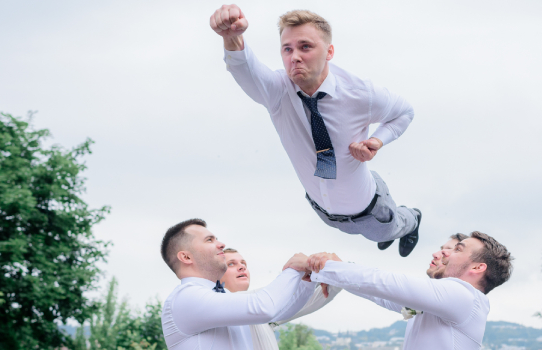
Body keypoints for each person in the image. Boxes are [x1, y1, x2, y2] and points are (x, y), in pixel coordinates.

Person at [210, 5, 422, 257]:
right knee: (361, 231)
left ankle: (412, 219)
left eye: (305, 47)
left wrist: (378, 140)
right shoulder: (277, 92)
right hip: (323, 210)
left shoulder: (360, 94)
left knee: (385, 231)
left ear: (329, 51)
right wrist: (230, 37)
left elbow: (404, 112)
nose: (295, 57)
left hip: (370, 209)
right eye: (287, 49)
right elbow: (245, 69)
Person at [288, 231, 513, 350]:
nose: (445, 254)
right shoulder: (449, 301)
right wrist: (339, 268)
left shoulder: (464, 296)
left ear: (477, 267)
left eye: (458, 249)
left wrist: (319, 264)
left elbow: (389, 283)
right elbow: (381, 293)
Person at [159, 219, 317, 350]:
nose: (221, 244)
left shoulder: (222, 297)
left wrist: (305, 279)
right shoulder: (186, 297)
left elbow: (280, 310)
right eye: (209, 240)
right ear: (186, 257)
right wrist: (293, 269)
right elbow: (264, 307)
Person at [219, 248, 342, 350]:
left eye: (243, 263)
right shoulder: (216, 310)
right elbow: (265, 298)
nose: (242, 267)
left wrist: (332, 269)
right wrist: (308, 266)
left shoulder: (265, 314)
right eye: (231, 264)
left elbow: (316, 297)